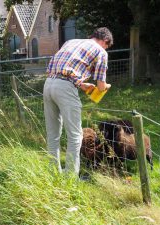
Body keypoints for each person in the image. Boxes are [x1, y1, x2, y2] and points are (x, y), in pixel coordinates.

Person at [43, 27, 113, 176]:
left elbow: (64, 69)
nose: (106, 48)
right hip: (65, 89)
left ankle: (53, 172)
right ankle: (70, 178)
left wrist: (81, 84)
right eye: (107, 45)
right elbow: (100, 86)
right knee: (75, 136)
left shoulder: (71, 41)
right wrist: (107, 86)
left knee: (53, 134)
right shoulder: (101, 52)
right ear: (105, 41)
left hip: (48, 84)